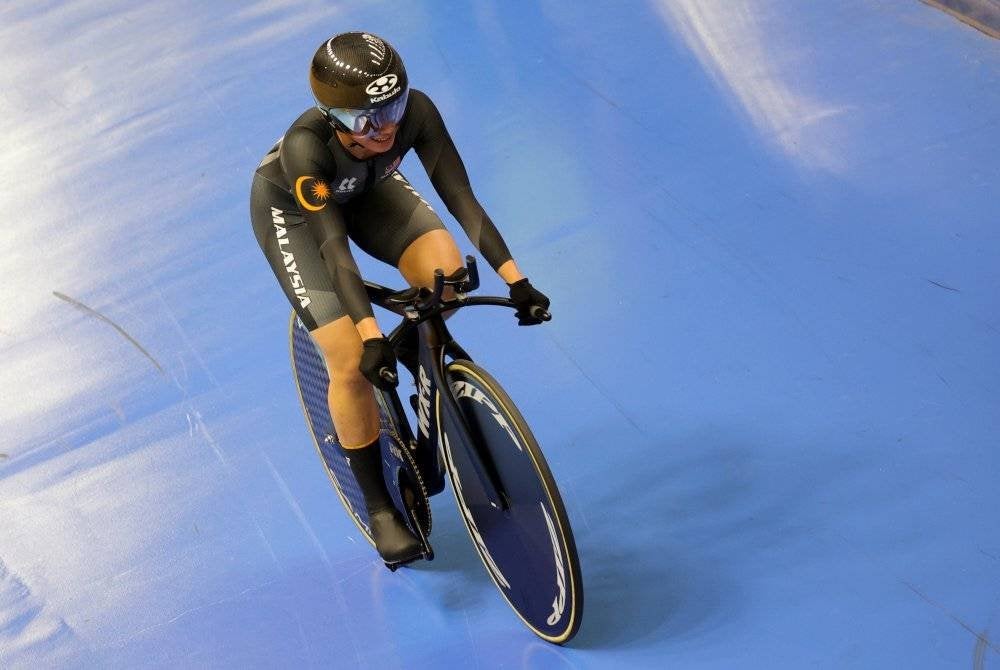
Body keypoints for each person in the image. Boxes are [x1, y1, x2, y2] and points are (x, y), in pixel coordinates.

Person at [250, 32, 550, 563]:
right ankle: (380, 508)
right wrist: (369, 337)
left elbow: (461, 198)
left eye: (393, 107)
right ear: (333, 117)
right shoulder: (305, 148)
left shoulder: (417, 114)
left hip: (369, 189)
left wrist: (517, 281)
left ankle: (412, 345)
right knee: (348, 361)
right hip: (298, 216)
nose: (386, 127)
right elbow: (334, 251)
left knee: (448, 275)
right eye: (367, 121)